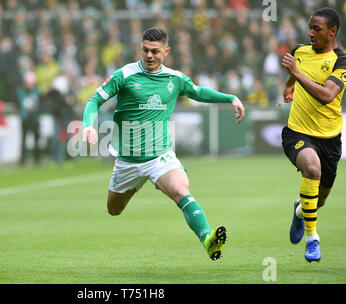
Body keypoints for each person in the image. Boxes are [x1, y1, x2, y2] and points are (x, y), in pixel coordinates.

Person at [82, 28, 245, 261]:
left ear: (166, 51)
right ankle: (136, 184)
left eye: (155, 51)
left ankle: (208, 240)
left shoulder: (175, 79)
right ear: (141, 48)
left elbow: (198, 92)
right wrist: (88, 124)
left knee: (181, 190)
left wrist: (231, 98)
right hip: (127, 160)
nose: (149, 55)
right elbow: (95, 99)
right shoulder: (124, 75)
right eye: (146, 50)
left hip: (159, 157)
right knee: (113, 210)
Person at [281, 7, 345, 262]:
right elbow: (293, 76)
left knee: (319, 201)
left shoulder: (341, 61)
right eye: (309, 27)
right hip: (297, 132)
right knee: (312, 169)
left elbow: (327, 96)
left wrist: (296, 74)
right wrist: (289, 87)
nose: (310, 33)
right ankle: (312, 239)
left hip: (329, 139)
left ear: (333, 31)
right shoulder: (300, 52)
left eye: (316, 29)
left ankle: (299, 212)